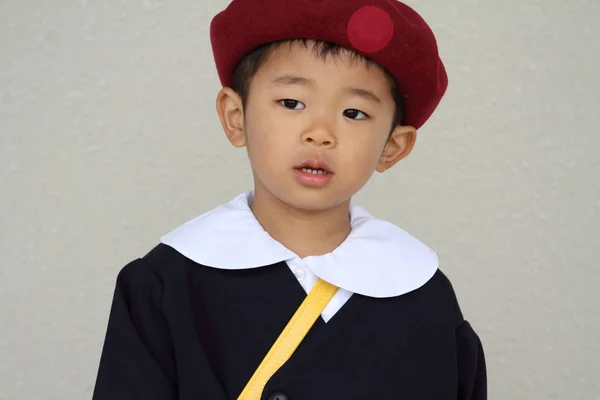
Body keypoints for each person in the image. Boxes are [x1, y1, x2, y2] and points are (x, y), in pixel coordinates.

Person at [92, 0, 487, 399]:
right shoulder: (163, 285)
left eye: (354, 113)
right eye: (292, 103)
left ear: (392, 147)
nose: (320, 132)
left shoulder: (422, 294)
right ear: (235, 116)